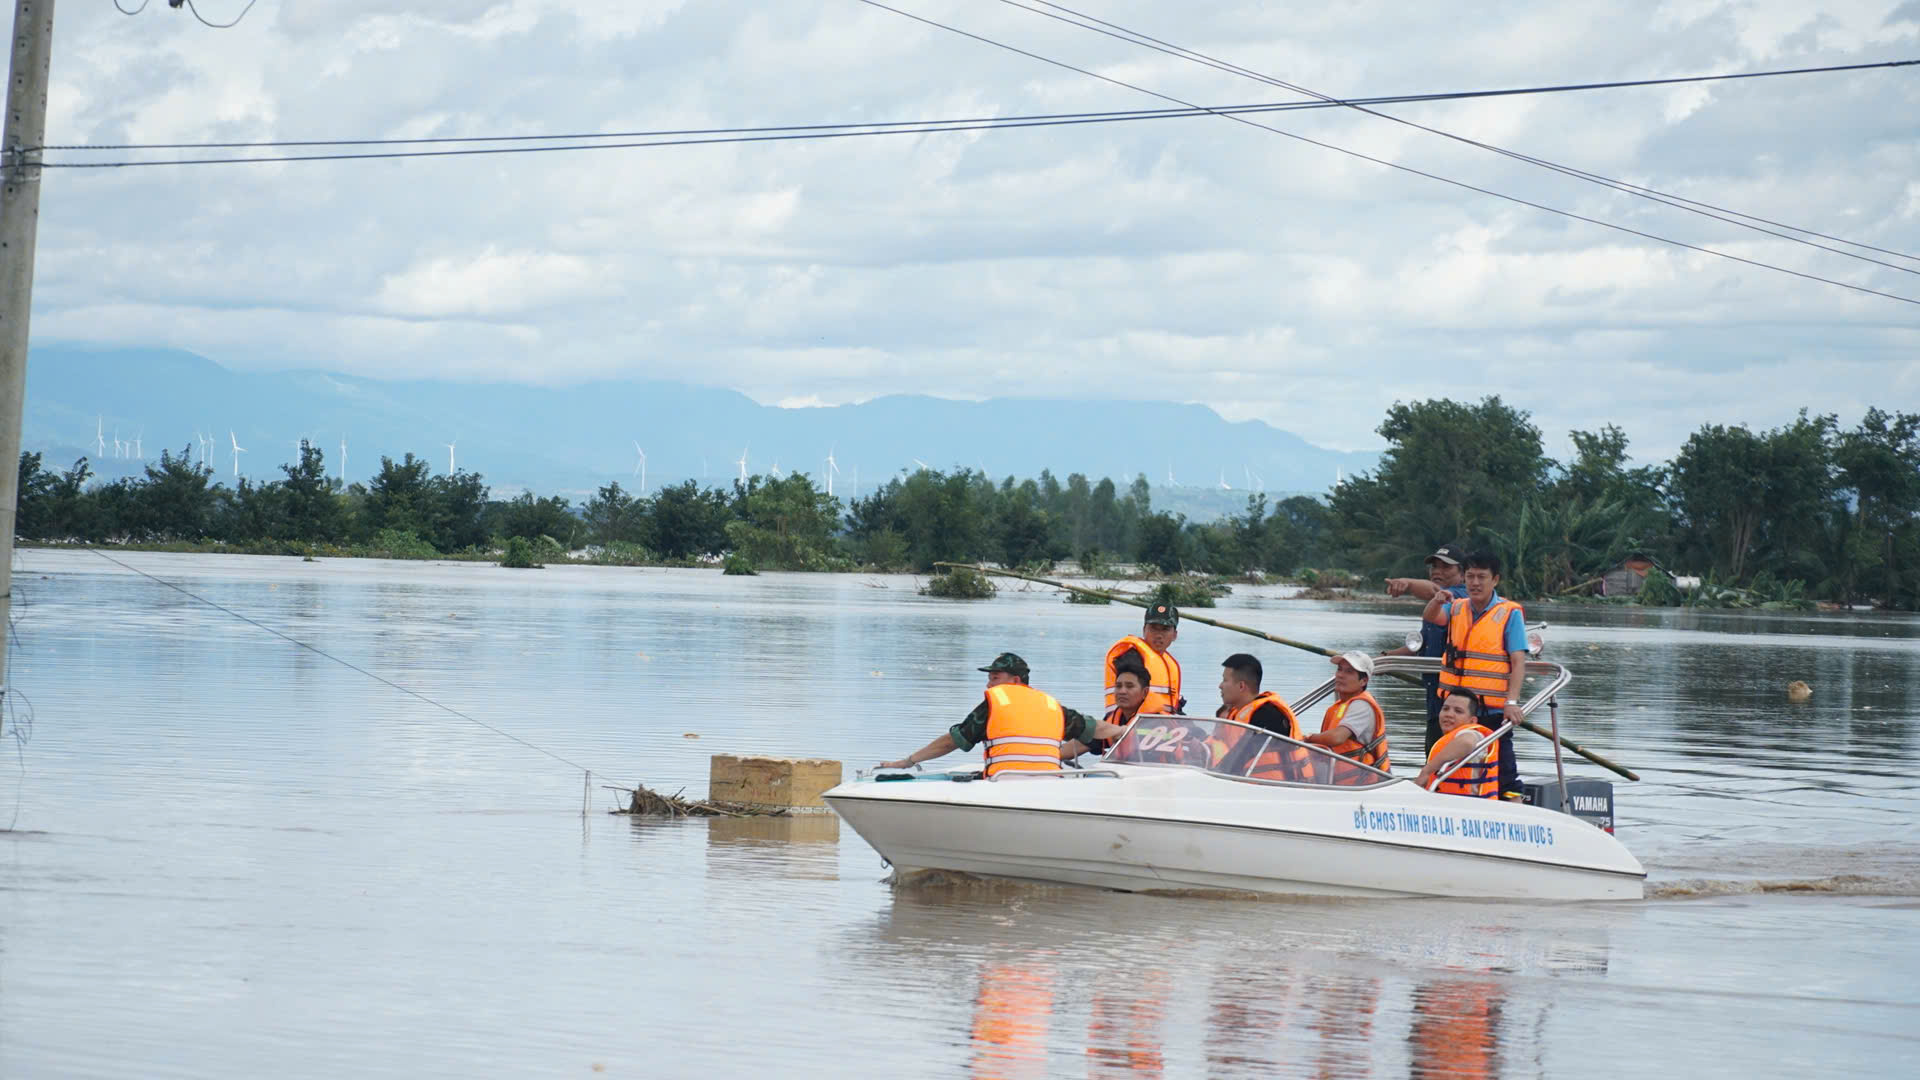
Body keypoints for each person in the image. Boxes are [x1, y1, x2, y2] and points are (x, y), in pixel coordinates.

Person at [877, 652, 1121, 776]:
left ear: (1015, 680)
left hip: (1002, 783)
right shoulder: (1050, 706)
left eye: (995, 678)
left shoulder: (996, 703)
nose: (989, 685)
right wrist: (1124, 730)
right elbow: (1097, 728)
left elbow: (952, 741)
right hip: (1048, 787)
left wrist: (908, 761)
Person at [1435, 551, 1529, 798]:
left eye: (1481, 577)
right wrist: (1435, 600)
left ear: (1495, 580)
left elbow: (1518, 661)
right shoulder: (1455, 607)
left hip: (1491, 712)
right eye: (1470, 577)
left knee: (1503, 772)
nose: (1475, 583)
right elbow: (1432, 617)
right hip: (1457, 707)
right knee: (1444, 764)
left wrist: (1511, 702)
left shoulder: (1509, 613)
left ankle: (1515, 812)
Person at [1384, 544, 1469, 752]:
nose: (1437, 571)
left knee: (1446, 757)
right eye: (1434, 567)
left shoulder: (1459, 598)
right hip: (1434, 695)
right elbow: (1419, 645)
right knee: (1432, 753)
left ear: (1463, 574)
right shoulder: (1435, 607)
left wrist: (1408, 583)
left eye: (1446, 567)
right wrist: (1385, 659)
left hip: (1455, 697)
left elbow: (1434, 591)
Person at [1214, 653, 1315, 782]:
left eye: (1225, 680)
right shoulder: (1237, 714)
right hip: (1250, 788)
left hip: (1279, 790)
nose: (1220, 686)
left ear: (1241, 686)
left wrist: (1215, 774)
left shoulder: (1267, 714)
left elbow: (1241, 756)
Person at [1303, 651, 1390, 783]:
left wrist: (1307, 738)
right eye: (1340, 670)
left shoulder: (1362, 705)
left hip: (1362, 788)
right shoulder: (1340, 706)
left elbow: (1336, 737)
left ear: (1363, 681)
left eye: (1349, 672)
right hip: (1341, 786)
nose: (1340, 675)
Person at [1102, 603, 1184, 716]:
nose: (1159, 635)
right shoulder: (1131, 656)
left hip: (1160, 726)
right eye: (1153, 629)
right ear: (1144, 630)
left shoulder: (1168, 661)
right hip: (1130, 725)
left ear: (1174, 635)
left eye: (1165, 629)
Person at [1416, 689, 1500, 797]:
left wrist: (1426, 771)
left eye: (1458, 711)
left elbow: (1467, 742)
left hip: (1467, 807)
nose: (1449, 714)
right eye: (1445, 709)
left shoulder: (1474, 734)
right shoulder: (1449, 738)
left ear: (1472, 721)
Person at [1063, 657, 1149, 760]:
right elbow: (1077, 746)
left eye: (1129, 686)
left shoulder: (1159, 722)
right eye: (1118, 686)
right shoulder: (1112, 720)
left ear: (1145, 692)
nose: (1122, 691)